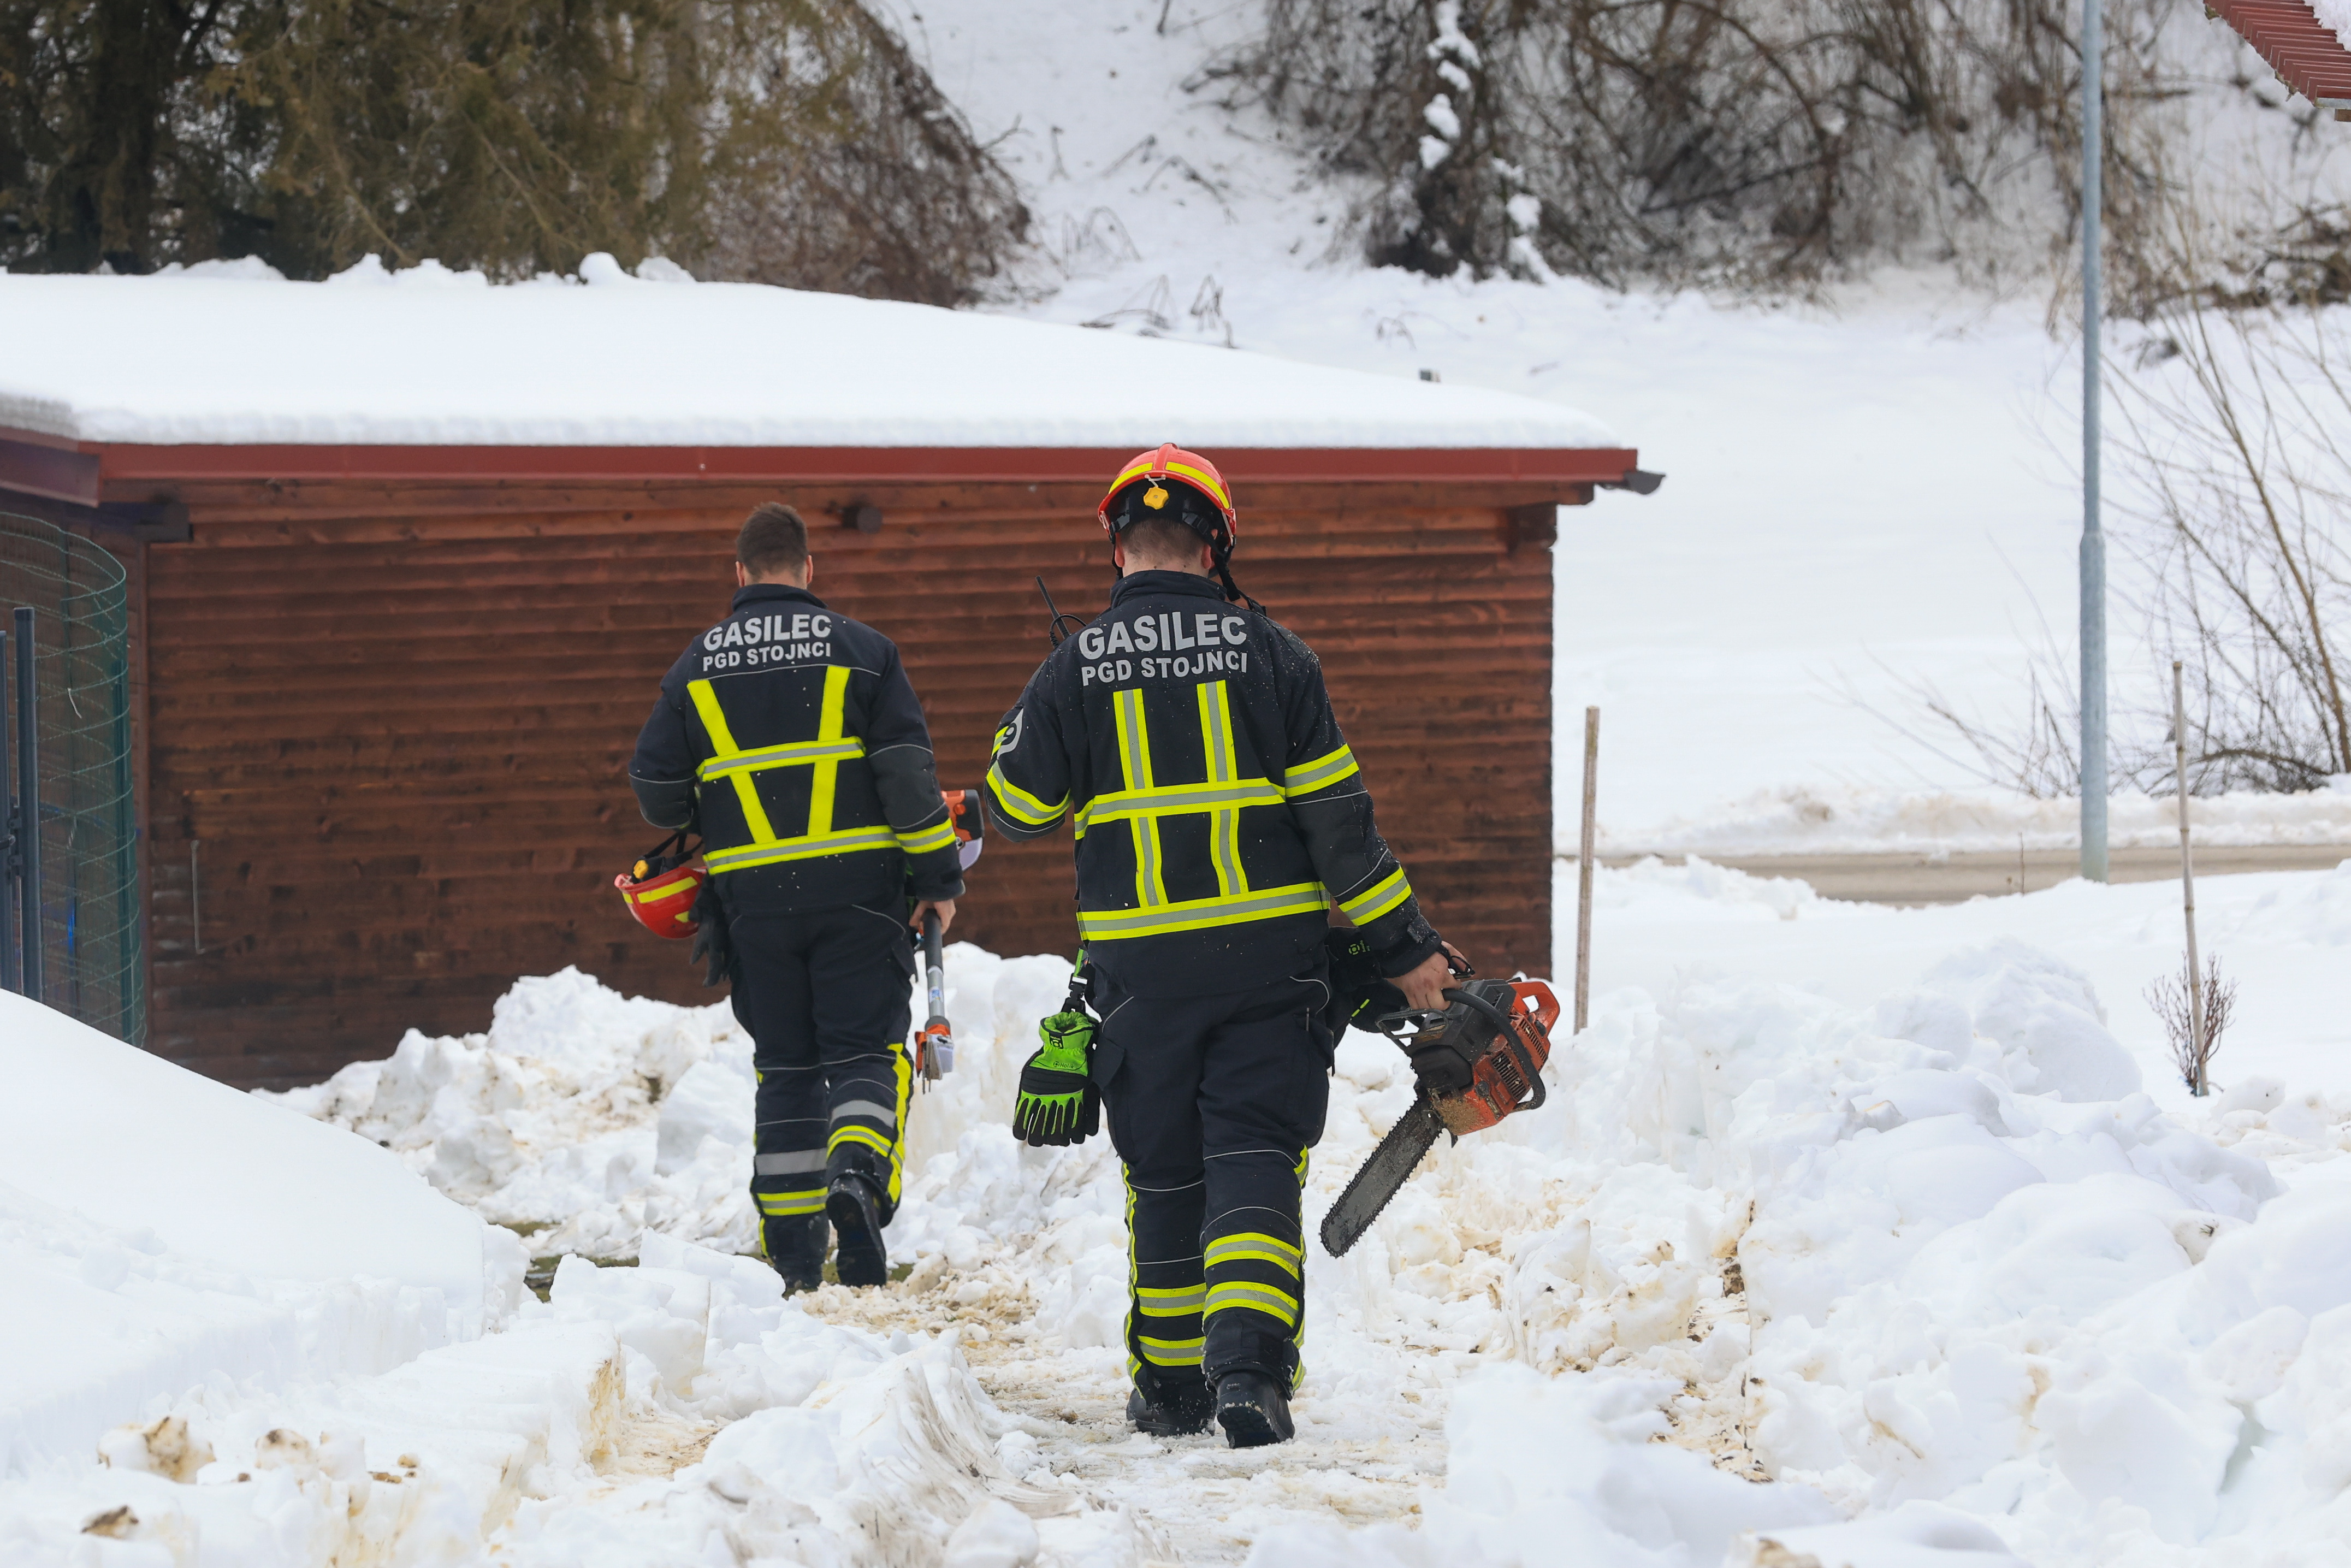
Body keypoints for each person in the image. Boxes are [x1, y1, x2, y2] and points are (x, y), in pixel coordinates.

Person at [983, 445, 1453, 1448]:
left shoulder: (1074, 667)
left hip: (1138, 981)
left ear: (1118, 546)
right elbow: (1341, 830)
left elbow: (1017, 807)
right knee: (1249, 1160)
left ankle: (1166, 1388)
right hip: (1265, 971)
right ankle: (1248, 1377)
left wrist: (1051, 709)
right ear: (1218, 545)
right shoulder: (1275, 656)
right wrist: (1408, 952)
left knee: (1163, 1178)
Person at [629, 502, 963, 1292]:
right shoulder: (866, 654)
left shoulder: (694, 667)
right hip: (858, 898)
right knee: (861, 1053)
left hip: (753, 910)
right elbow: (909, 784)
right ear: (809, 570)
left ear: (739, 574)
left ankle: (793, 1256)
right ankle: (854, 1178)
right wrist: (938, 882)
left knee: (784, 1069)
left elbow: (655, 793)